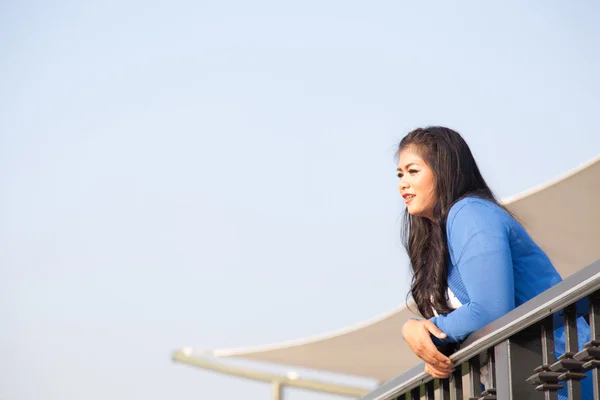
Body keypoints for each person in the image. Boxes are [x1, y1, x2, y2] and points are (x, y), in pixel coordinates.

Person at [396, 126, 591, 399]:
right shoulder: (439, 240)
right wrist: (421, 337)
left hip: (566, 373)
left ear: (444, 170)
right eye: (400, 174)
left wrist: (427, 332)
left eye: (413, 171)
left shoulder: (470, 213)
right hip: (525, 382)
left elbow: (492, 309)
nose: (402, 183)